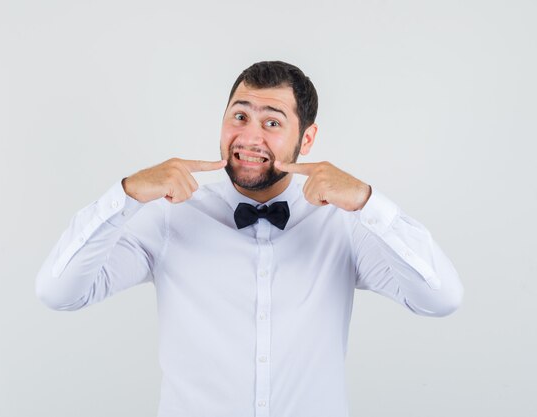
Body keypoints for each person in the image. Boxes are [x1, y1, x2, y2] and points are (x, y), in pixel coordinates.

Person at [35, 60, 463, 417]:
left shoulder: (343, 222)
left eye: (272, 122)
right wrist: (125, 195)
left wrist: (369, 203)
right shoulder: (171, 215)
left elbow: (440, 298)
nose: (250, 137)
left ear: (307, 139)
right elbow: (61, 292)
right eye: (239, 116)